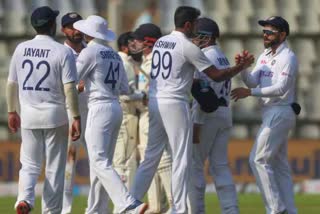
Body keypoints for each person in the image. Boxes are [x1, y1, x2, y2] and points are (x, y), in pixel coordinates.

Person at [130, 6, 254, 213]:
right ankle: (179, 209)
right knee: (181, 159)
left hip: (155, 101)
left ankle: (129, 203)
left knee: (151, 157)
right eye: (195, 24)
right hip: (175, 104)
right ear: (188, 25)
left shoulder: (161, 41)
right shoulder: (188, 47)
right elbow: (216, 76)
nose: (196, 29)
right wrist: (241, 67)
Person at [6, 6, 81, 214]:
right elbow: (69, 88)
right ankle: (50, 211)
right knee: (54, 169)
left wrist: (12, 111)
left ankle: (24, 200)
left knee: (29, 165)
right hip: (55, 116)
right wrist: (75, 117)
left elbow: (11, 83)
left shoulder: (21, 48)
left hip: (29, 115)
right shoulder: (63, 51)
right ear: (52, 25)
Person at [73, 15, 148, 214]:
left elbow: (71, 78)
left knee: (98, 161)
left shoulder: (90, 51)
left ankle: (128, 203)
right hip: (115, 108)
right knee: (102, 163)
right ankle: (95, 210)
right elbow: (124, 88)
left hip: (99, 107)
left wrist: (80, 86)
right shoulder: (114, 54)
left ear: (89, 33)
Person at [231, 16, 298, 214]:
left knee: (257, 159)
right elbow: (252, 81)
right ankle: (290, 210)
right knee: (280, 165)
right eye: (264, 32)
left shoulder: (288, 57)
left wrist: (250, 93)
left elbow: (281, 88)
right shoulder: (265, 55)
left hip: (281, 110)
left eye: (270, 32)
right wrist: (243, 69)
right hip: (270, 111)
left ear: (283, 34)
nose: (265, 35)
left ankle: (276, 209)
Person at [188, 17, 239, 214]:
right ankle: (231, 210)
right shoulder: (221, 55)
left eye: (195, 36)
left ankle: (197, 210)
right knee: (220, 166)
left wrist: (197, 122)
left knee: (195, 165)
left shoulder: (204, 56)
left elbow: (203, 93)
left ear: (206, 38)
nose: (193, 40)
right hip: (225, 112)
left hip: (206, 114)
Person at [130, 23, 173, 213]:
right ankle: (156, 208)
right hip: (147, 119)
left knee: (162, 161)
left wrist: (136, 98)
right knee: (151, 164)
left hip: (153, 117)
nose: (134, 43)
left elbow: (148, 96)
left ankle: (177, 205)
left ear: (148, 42)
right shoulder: (147, 61)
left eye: (138, 39)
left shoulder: (154, 61)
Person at [60, 12, 88, 214]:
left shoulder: (93, 51)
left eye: (79, 26)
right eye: (71, 26)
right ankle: (65, 210)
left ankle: (98, 208)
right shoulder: (59, 53)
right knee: (68, 164)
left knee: (101, 162)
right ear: (63, 30)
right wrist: (75, 89)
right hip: (70, 115)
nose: (76, 30)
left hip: (95, 113)